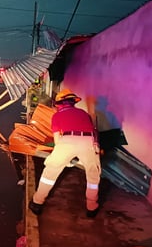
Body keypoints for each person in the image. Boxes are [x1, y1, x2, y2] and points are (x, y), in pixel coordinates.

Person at [29, 88, 102, 218]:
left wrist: (62, 157)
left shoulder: (57, 116)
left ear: (59, 104)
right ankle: (92, 207)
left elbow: (57, 140)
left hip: (68, 140)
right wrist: (95, 147)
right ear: (73, 102)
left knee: (51, 171)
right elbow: (94, 133)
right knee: (93, 174)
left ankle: (37, 203)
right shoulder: (83, 113)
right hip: (88, 142)